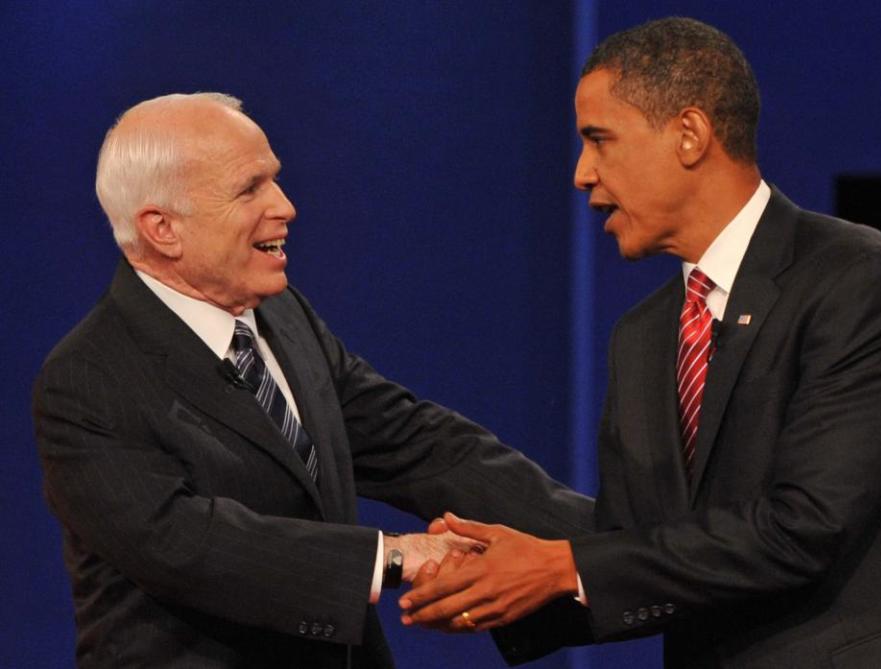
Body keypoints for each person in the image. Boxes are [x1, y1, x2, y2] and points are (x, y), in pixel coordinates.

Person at [400, 16, 881, 668]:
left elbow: (807, 525)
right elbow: (651, 549)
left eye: (599, 140)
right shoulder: (641, 336)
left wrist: (561, 563)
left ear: (689, 134)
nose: (582, 174)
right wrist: (500, 574)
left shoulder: (854, 276)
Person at [32, 92, 593, 668]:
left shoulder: (280, 314)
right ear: (163, 229)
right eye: (250, 189)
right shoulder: (87, 379)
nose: (286, 205)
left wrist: (608, 544)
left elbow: (416, 444)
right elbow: (189, 546)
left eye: (274, 180)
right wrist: (394, 557)